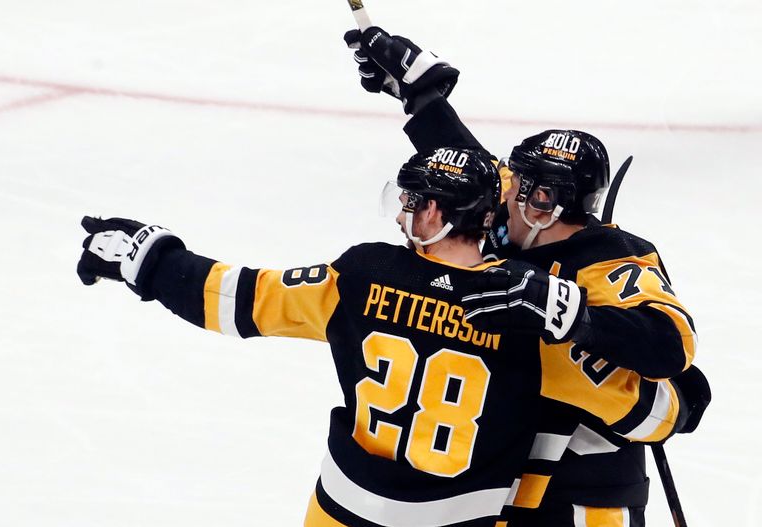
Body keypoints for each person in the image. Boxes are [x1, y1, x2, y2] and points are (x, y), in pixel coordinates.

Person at [76, 146, 690, 526]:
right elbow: (648, 412)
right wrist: (681, 397)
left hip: (345, 509)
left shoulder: (362, 277)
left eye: (412, 201)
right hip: (459, 520)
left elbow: (242, 300)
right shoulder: (525, 320)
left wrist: (148, 259)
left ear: (435, 215)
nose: (403, 210)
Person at [344, 27, 709, 527]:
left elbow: (671, 348)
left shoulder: (613, 260)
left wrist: (571, 315)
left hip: (586, 498)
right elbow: (472, 172)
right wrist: (422, 97)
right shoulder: (524, 216)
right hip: (507, 480)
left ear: (545, 204)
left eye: (522, 188)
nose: (503, 193)